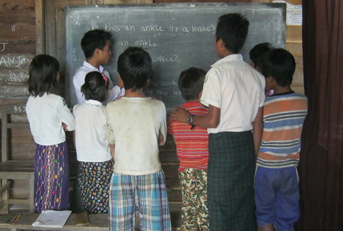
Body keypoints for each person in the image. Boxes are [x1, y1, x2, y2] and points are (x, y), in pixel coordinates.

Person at [172, 13, 265, 230]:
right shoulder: (256, 76)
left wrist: (190, 119)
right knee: (243, 207)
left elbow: (213, 120)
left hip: (222, 147)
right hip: (246, 146)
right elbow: (258, 123)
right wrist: (252, 156)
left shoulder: (216, 73)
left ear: (220, 42)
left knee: (220, 207)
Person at [105, 47, 171, 230]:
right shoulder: (158, 106)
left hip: (122, 173)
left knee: (121, 227)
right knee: (155, 226)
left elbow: (112, 144)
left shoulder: (111, 107)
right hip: (151, 173)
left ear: (120, 76)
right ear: (148, 79)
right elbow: (160, 140)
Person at [255, 48, 307, 231]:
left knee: (265, 213)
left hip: (265, 168)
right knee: (287, 213)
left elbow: (257, 131)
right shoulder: (304, 103)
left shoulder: (264, 106)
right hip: (290, 169)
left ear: (270, 79)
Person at [26, 54, 75, 212]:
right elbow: (73, 124)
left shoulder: (31, 100)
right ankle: (54, 225)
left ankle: (41, 223)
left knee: (43, 189)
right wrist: (61, 126)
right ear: (52, 76)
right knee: (57, 190)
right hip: (56, 152)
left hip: (40, 152)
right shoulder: (56, 100)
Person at [168, 67, 209, 231]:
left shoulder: (175, 117)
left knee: (189, 210)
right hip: (207, 170)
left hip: (186, 170)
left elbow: (176, 140)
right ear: (202, 92)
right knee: (205, 212)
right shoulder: (208, 115)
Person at [73, 71, 114, 214]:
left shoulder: (77, 109)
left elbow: (75, 135)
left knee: (87, 200)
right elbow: (111, 138)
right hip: (103, 163)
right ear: (104, 91)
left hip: (84, 163)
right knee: (103, 202)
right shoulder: (106, 111)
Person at [73, 29, 124, 105]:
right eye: (108, 49)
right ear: (97, 52)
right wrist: (119, 86)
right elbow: (100, 100)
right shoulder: (82, 75)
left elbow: (114, 98)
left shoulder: (104, 73)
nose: (110, 53)